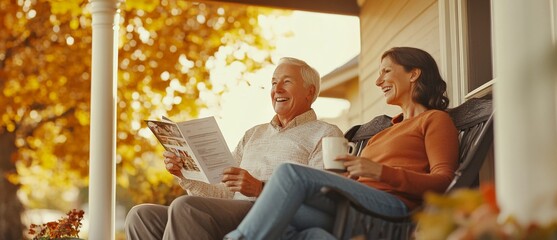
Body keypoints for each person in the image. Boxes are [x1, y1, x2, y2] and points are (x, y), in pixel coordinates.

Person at [224, 47, 460, 240]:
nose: (378, 81)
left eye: (386, 72)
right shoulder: (386, 131)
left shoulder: (434, 119)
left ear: (413, 73)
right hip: (355, 207)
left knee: (290, 174)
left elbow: (444, 182)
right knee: (290, 224)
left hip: (390, 212)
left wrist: (380, 172)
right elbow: (360, 180)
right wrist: (346, 177)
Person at [124, 57, 343, 240]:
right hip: (232, 214)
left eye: (286, 82)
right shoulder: (253, 134)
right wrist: (185, 175)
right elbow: (223, 192)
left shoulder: (325, 134)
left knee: (187, 208)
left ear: (309, 91)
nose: (276, 89)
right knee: (141, 215)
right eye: (273, 82)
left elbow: (323, 198)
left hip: (269, 217)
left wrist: (260, 189)